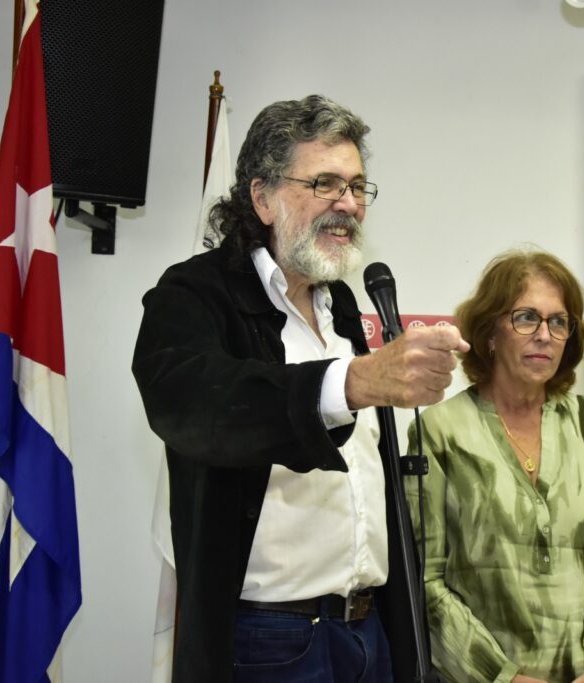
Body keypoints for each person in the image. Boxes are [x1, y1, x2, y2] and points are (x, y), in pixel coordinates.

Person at [132, 94, 468, 683]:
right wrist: (354, 382)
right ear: (262, 197)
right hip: (267, 638)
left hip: (368, 628)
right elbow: (198, 404)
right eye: (325, 184)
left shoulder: (342, 305)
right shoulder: (194, 294)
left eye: (357, 187)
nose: (349, 204)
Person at [406, 250, 584, 683]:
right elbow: (424, 583)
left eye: (558, 322)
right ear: (490, 333)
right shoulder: (440, 432)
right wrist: (503, 677)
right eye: (526, 318)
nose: (544, 335)